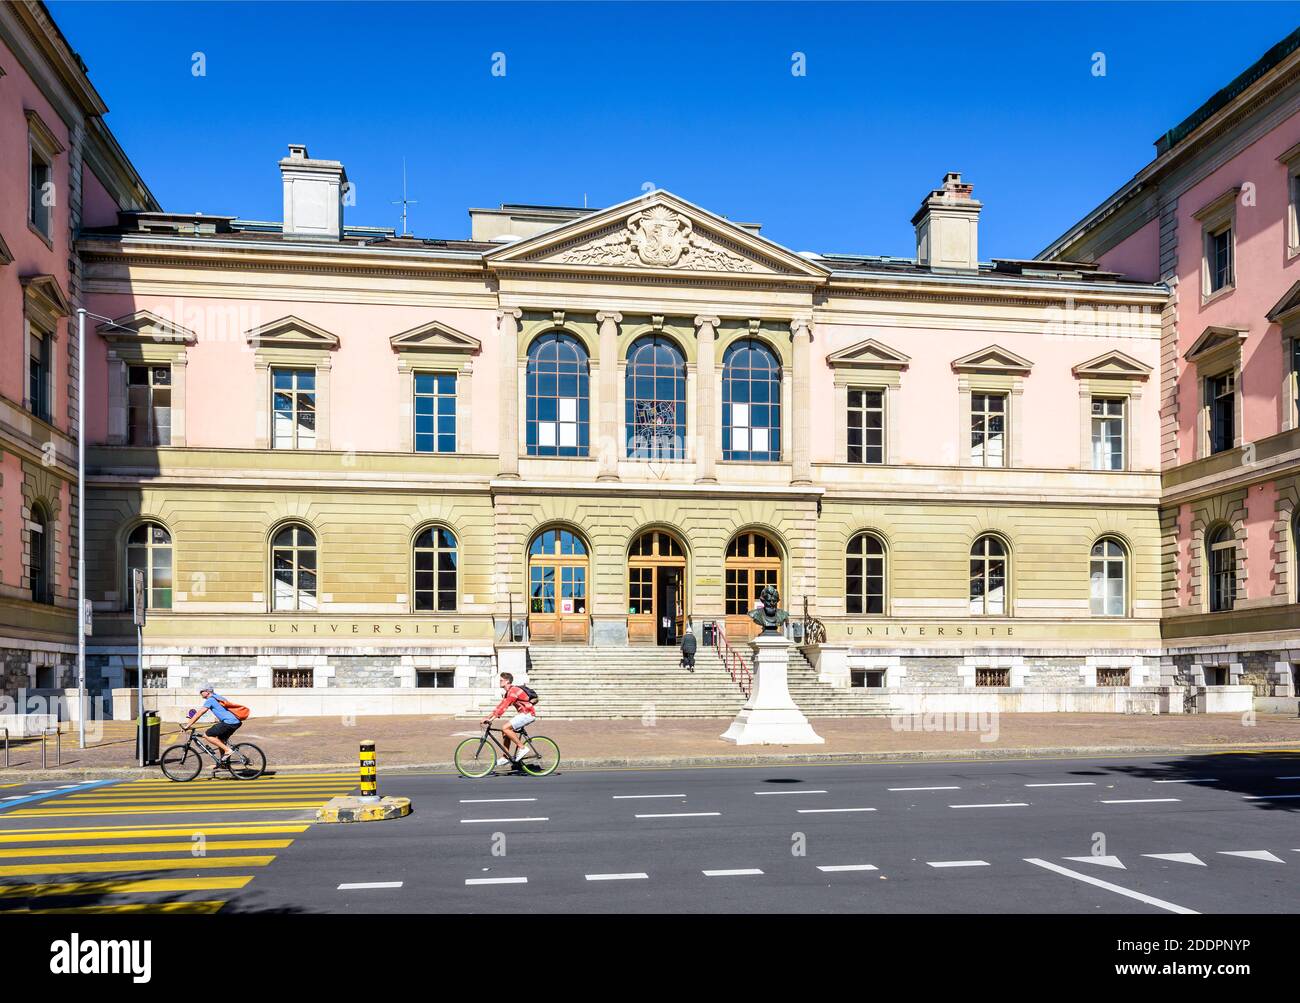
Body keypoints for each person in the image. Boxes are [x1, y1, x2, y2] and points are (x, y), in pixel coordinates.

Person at [481, 672, 536, 767]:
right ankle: (505, 757)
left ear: (507, 681)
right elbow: (500, 706)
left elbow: (504, 707)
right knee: (505, 732)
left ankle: (522, 748)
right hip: (523, 714)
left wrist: (492, 719)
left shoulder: (513, 691)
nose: (499, 682)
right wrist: (488, 717)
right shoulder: (508, 692)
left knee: (505, 728)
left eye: (501, 680)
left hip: (528, 714)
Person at [183, 685, 241, 762]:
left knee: (207, 735)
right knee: (221, 740)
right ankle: (223, 763)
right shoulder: (218, 697)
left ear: (207, 692)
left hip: (229, 722)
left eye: (201, 691)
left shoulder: (210, 700)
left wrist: (187, 726)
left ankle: (228, 750)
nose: (200, 693)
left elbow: (199, 714)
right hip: (235, 722)